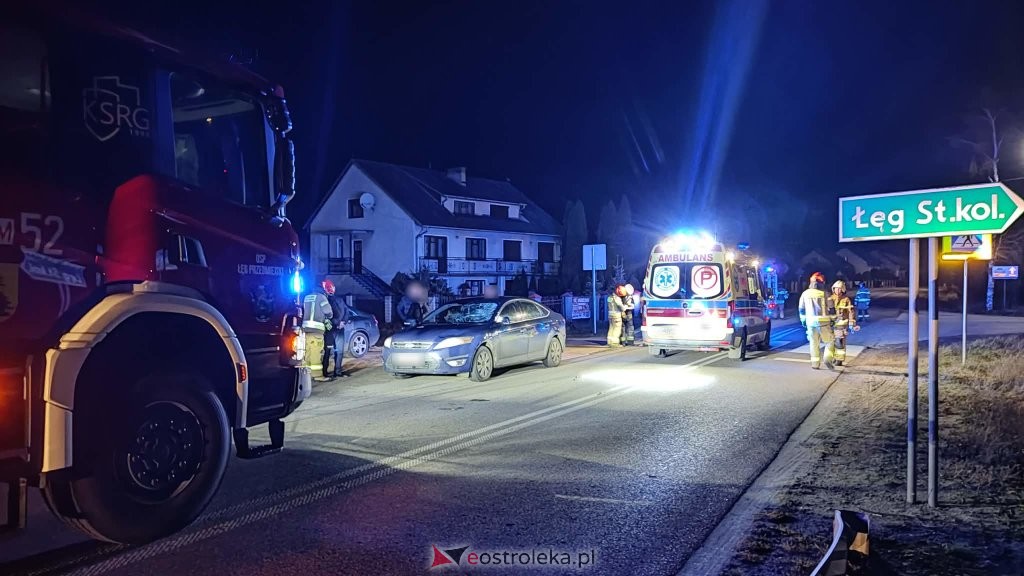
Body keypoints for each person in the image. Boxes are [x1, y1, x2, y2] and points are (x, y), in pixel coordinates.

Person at [798, 272, 837, 370]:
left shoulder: (805, 293)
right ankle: (827, 359)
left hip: (810, 322)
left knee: (813, 343)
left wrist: (803, 320)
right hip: (824, 323)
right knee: (830, 341)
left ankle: (815, 364)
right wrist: (833, 319)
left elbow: (801, 309)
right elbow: (832, 308)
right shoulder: (825, 293)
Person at [302, 279, 335, 376]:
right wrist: (327, 318)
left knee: (307, 353)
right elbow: (329, 313)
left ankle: (306, 376)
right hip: (316, 330)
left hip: (305, 330)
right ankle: (317, 376)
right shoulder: (322, 298)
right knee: (316, 353)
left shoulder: (306, 297)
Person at [323, 285, 351, 379]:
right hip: (337, 329)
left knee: (329, 351)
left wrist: (339, 323)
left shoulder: (325, 301)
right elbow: (346, 312)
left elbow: (327, 316)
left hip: (331, 330)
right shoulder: (339, 300)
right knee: (338, 351)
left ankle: (325, 372)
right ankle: (337, 372)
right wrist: (342, 322)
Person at [829, 280, 860, 366]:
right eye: (836, 289)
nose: (837, 291)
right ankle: (833, 357)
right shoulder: (830, 298)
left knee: (840, 342)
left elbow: (851, 312)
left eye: (839, 289)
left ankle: (839, 360)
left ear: (843, 290)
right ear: (833, 289)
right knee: (831, 342)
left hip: (841, 326)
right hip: (831, 325)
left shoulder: (846, 300)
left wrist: (851, 324)